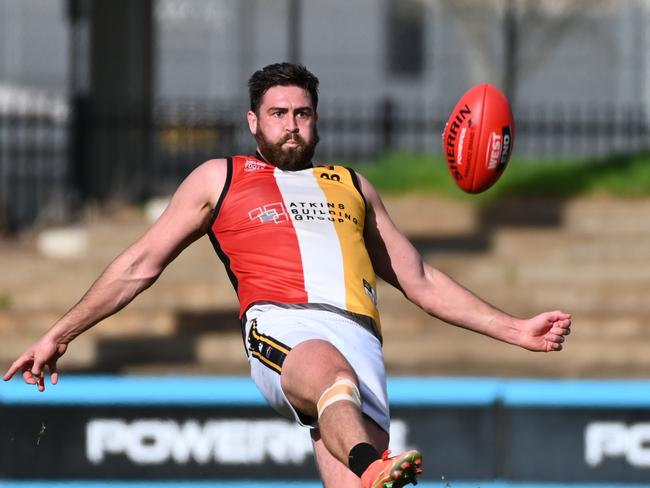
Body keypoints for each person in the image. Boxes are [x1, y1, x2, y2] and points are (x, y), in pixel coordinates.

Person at [3, 63, 571, 488]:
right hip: (284, 329)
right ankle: (371, 463)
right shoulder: (219, 177)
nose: (291, 126)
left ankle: (368, 467)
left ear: (316, 119)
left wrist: (516, 330)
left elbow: (419, 278)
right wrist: (61, 333)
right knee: (329, 373)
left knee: (355, 456)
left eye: (302, 114)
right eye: (278, 114)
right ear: (254, 122)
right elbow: (137, 266)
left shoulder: (351, 184)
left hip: (361, 340)